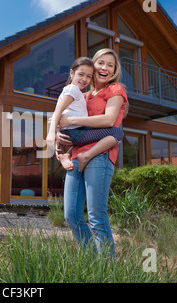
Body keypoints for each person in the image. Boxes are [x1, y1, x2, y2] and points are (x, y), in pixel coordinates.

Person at [57, 48, 128, 257]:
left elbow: (108, 120)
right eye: (101, 63)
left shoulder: (115, 89)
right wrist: (60, 136)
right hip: (76, 156)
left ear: (115, 71)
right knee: (71, 215)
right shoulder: (83, 94)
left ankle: (106, 271)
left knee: (97, 217)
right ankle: (90, 261)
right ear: (93, 65)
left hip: (100, 155)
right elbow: (63, 119)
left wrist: (71, 121)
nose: (105, 68)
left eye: (110, 65)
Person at [46, 57, 124, 172]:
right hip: (74, 132)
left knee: (90, 127)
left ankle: (66, 155)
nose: (84, 79)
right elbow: (58, 110)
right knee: (117, 132)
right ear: (72, 73)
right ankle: (86, 156)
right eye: (81, 74)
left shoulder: (75, 92)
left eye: (88, 76)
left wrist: (59, 129)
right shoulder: (74, 90)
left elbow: (63, 114)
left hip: (73, 131)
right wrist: (51, 133)